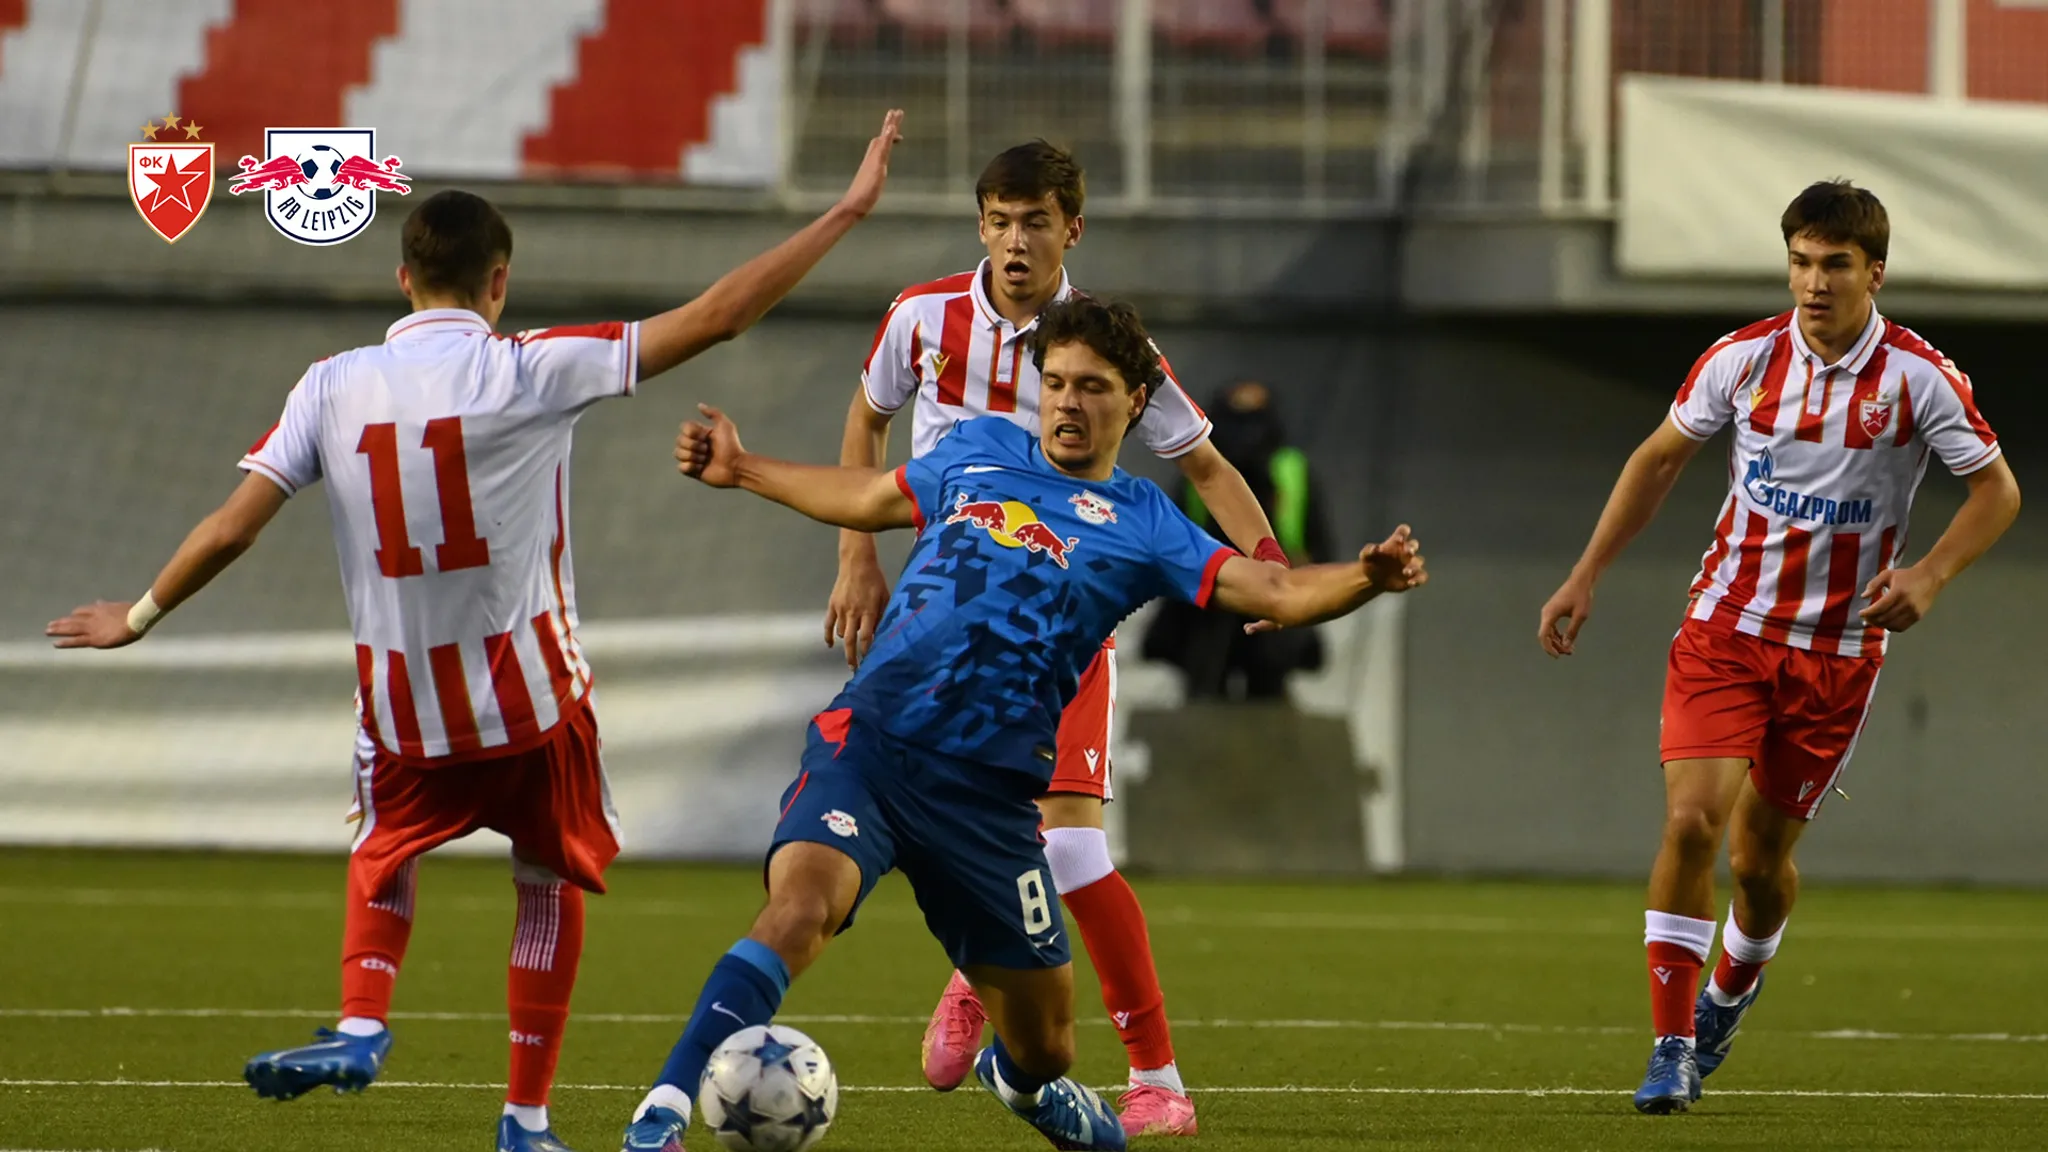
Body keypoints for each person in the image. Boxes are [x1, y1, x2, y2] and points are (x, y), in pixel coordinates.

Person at [45, 110, 909, 1152]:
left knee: (383, 846)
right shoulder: (530, 365)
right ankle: (525, 1118)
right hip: (534, 703)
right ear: (497, 283)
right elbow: (718, 316)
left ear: (404, 279)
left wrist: (136, 615)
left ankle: (364, 1018)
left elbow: (232, 527)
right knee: (545, 882)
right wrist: (847, 211)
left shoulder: (331, 384)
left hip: (405, 710)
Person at [622, 296, 1424, 1152]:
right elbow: (864, 493)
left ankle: (1017, 1082)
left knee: (1047, 1045)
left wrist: (1365, 577)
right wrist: (744, 469)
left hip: (993, 801)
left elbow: (1274, 592)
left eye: (1093, 387)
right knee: (798, 911)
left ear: (1135, 400)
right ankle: (664, 1111)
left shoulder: (1146, 523)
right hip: (875, 748)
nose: (1069, 402)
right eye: (1056, 382)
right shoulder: (974, 450)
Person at [828, 140, 1286, 1136]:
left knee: (1072, 848)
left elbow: (1202, 465)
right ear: (978, 225)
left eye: (1034, 221)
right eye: (997, 219)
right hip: (939, 621)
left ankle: (1155, 1077)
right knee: (947, 823)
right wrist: (855, 559)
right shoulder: (921, 317)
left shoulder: (1109, 344)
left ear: (1070, 229)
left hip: (1059, 617)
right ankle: (978, 968)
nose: (1013, 240)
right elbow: (864, 425)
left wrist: (1270, 569)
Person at [1536, 180, 2020, 1115]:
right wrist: (1586, 571)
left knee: (1759, 864)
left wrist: (1929, 575)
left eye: (1835, 264)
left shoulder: (1920, 380)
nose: (1814, 282)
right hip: (1727, 630)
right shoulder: (1741, 359)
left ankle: (1731, 989)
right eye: (1800, 261)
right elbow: (1658, 459)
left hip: (1837, 653)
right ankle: (1672, 1045)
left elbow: (1996, 492)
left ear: (1874, 272)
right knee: (1689, 825)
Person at [1145, 380, 1333, 699]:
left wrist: (1301, 571)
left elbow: (1318, 538)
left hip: (1273, 596)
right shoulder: (1201, 468)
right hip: (1208, 601)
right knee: (1205, 691)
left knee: (1269, 689)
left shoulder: (1292, 468)